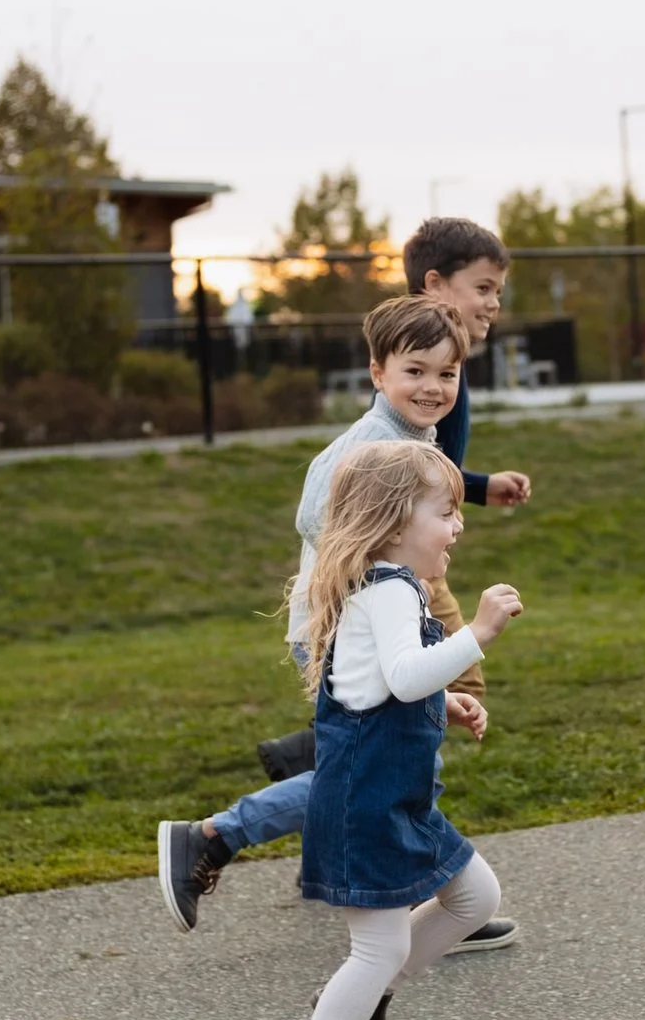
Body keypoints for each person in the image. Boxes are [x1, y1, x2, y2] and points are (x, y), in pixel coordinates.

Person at [158, 221, 532, 947]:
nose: (432, 387)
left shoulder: (412, 434)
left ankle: (432, 896)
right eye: (415, 373)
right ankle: (215, 836)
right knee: (380, 769)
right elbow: (315, 511)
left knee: (391, 760)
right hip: (341, 627)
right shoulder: (372, 444)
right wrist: (376, 582)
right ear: (377, 373)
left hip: (372, 619)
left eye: (445, 375)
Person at [269, 440, 522, 1020]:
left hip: (393, 797)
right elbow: (405, 676)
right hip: (366, 805)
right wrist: (479, 632)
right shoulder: (383, 590)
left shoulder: (390, 589)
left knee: (476, 896)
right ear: (390, 523)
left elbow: (387, 687)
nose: (458, 523)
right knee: (375, 947)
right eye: (445, 511)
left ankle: (365, 1000)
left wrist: (446, 704)